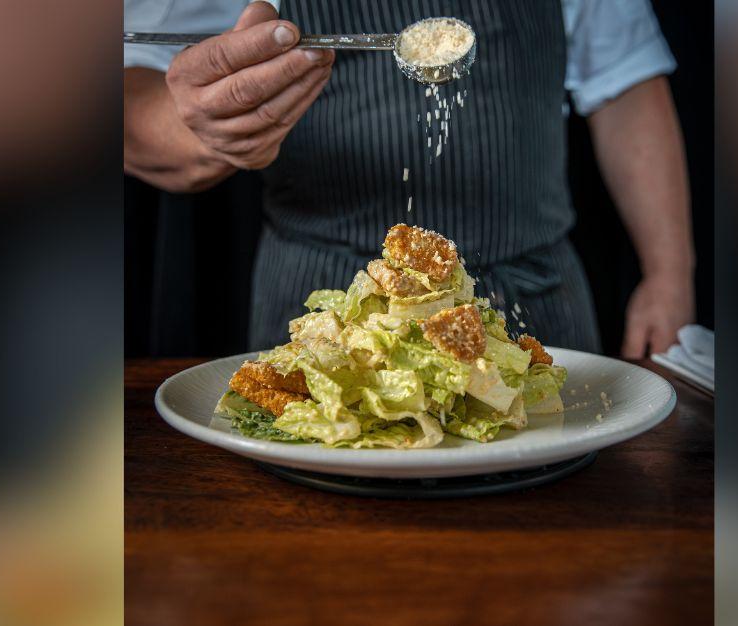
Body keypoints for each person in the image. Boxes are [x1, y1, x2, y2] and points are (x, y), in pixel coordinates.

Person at [125, 0, 693, 358]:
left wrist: (670, 274)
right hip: (326, 316)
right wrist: (208, 131)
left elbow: (626, 83)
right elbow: (129, 90)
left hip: (538, 305)